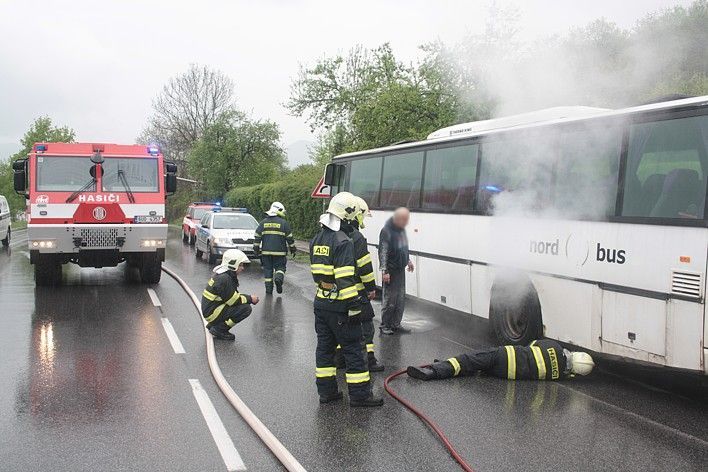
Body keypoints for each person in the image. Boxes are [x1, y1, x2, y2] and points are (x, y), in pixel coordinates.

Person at [309, 191, 383, 407]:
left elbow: (318, 275)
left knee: (325, 350)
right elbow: (344, 279)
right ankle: (360, 396)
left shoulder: (317, 239)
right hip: (342, 307)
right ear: (347, 215)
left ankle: (327, 393)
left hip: (322, 304)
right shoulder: (343, 241)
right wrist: (353, 308)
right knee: (354, 350)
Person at [335, 196, 384, 372]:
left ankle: (340, 360)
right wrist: (371, 288)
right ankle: (369, 360)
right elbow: (365, 267)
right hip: (357, 293)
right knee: (367, 328)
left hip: (337, 294)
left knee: (343, 327)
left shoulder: (332, 235)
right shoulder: (357, 238)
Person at [407, 339, 595, 381]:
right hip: (505, 374)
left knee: (469, 359)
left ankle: (432, 371)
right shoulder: (559, 376)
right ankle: (450, 365)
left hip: (504, 355)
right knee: (475, 365)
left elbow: (533, 344)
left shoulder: (554, 347)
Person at [201, 249, 260, 341]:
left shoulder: (224, 276)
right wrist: (250, 299)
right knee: (245, 308)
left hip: (212, 309)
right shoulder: (225, 279)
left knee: (240, 304)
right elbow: (233, 300)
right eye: (240, 265)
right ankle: (220, 329)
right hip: (212, 313)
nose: (242, 268)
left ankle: (214, 325)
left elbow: (231, 296)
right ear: (233, 265)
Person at [379, 207, 414, 335]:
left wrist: (408, 260)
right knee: (390, 300)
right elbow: (383, 252)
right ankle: (385, 325)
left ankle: (395, 324)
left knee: (400, 299)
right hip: (391, 270)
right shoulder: (386, 231)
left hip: (400, 270)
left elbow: (404, 247)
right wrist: (385, 270)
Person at [253, 202, 296, 295]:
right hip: (280, 253)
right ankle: (278, 278)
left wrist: (256, 249)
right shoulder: (284, 223)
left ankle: (269, 290)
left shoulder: (263, 223)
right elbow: (290, 238)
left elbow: (257, 237)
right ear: (279, 211)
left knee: (267, 270)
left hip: (266, 253)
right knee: (280, 267)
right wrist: (293, 249)